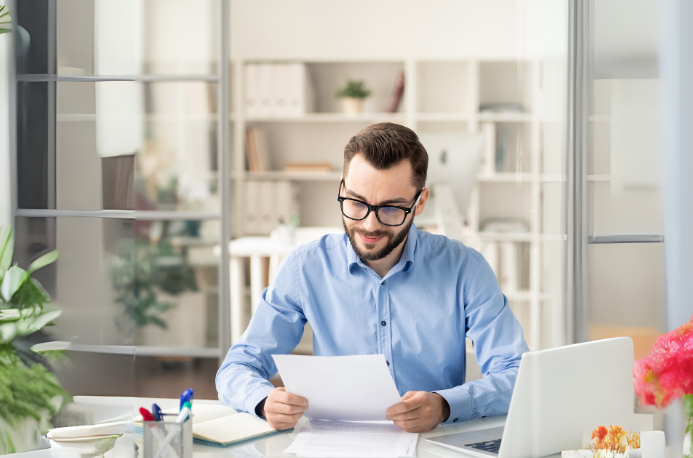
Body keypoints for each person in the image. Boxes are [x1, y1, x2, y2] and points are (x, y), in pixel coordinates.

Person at [216, 123, 528, 433]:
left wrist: (445, 405)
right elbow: (237, 369)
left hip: (433, 446)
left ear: (419, 203)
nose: (369, 225)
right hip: (335, 447)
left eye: (391, 209)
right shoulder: (304, 268)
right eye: (356, 203)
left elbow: (517, 374)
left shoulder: (465, 269)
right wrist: (263, 400)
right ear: (341, 190)